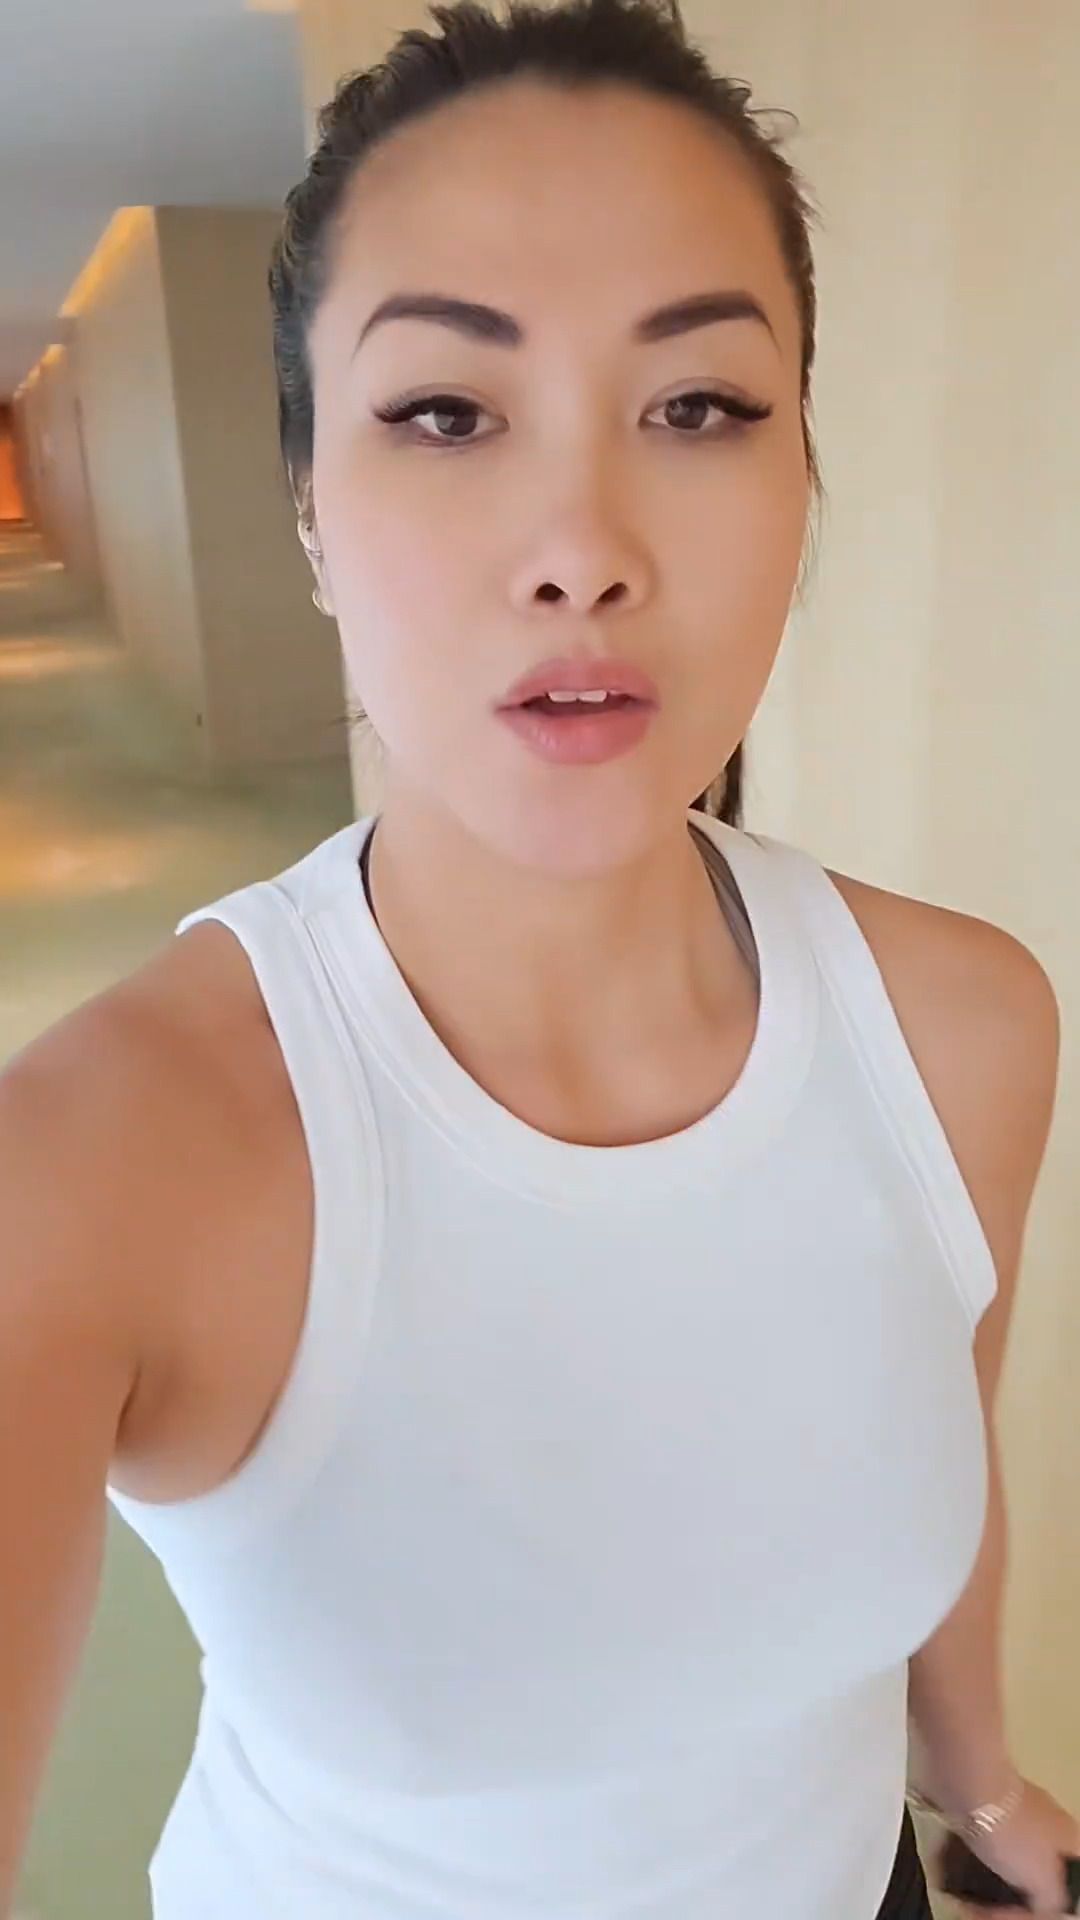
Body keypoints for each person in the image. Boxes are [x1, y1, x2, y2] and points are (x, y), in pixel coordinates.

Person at [1, 0, 1075, 1914]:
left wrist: (976, 1783)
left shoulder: (966, 1025)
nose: (582, 549)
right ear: (310, 509)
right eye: (444, 412)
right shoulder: (94, 1168)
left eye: (699, 407)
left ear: (803, 477)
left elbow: (940, 1465)